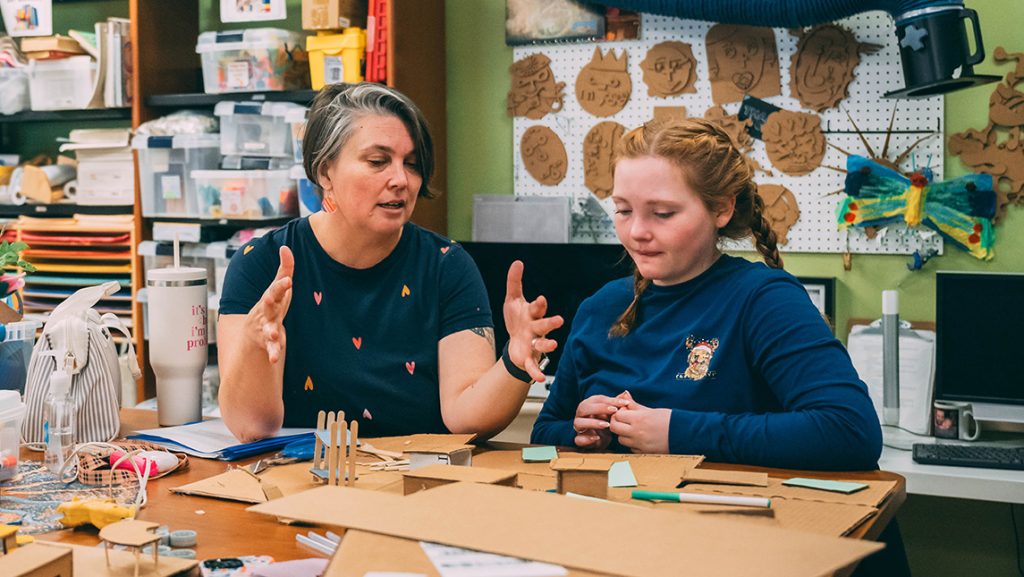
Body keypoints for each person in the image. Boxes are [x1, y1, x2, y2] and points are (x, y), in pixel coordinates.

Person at [531, 118, 882, 472]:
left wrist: (676, 433)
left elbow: (851, 431)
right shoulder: (600, 307)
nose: (636, 231)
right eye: (623, 210)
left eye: (663, 214)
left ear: (721, 209)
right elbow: (545, 431)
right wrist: (579, 432)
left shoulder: (763, 300)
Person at [218, 82, 562, 443]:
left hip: (417, 485)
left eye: (411, 164)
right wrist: (254, 344)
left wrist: (514, 361)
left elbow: (464, 416)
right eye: (378, 161)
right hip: (301, 484)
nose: (401, 180)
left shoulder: (447, 266)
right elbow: (250, 427)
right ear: (325, 172)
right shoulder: (261, 265)